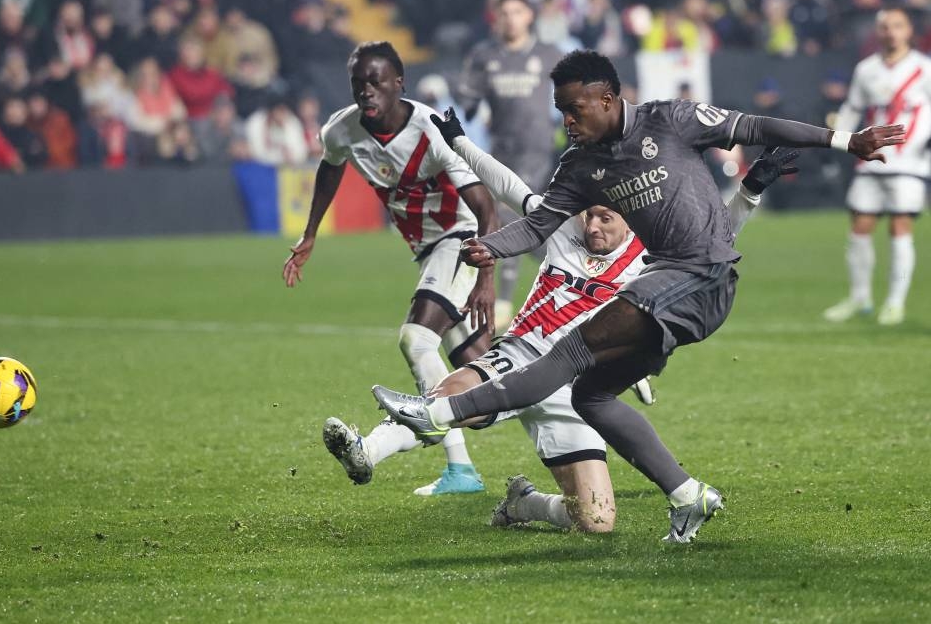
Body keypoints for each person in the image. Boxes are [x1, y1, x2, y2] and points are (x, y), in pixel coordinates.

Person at [374, 50, 903, 542]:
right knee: (590, 395)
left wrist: (845, 140)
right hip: (676, 285)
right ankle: (687, 494)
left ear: (607, 99)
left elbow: (754, 125)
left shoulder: (669, 120)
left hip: (702, 275)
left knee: (569, 353)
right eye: (560, 111)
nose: (567, 121)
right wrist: (490, 246)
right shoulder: (580, 167)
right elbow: (536, 225)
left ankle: (438, 415)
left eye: (574, 109)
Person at [325, 108, 795, 532]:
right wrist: (462, 144)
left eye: (604, 219)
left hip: (576, 385)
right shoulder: (563, 229)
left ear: (630, 215)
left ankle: (522, 505)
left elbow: (719, 234)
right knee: (459, 396)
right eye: (589, 215)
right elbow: (510, 188)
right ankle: (366, 450)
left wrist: (751, 189)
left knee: (595, 520)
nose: (592, 227)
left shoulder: (654, 253)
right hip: (522, 355)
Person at [284, 41, 498, 496]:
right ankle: (581, 366)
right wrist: (310, 233)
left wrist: (485, 277)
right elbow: (330, 168)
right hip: (428, 250)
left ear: (399, 83)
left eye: (376, 81)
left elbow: (486, 210)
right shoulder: (342, 130)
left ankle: (453, 467)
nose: (367, 91)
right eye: (358, 83)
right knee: (489, 382)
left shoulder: (432, 131)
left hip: (460, 240)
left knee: (416, 340)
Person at [456, 0, 563, 328]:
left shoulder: (549, 55)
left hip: (537, 150)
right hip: (500, 152)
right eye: (504, 13)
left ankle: (501, 303)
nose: (510, 18)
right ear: (496, 18)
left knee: (509, 217)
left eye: (517, 12)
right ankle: (568, 275)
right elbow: (468, 103)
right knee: (533, 237)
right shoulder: (484, 57)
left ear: (529, 16)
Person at [823, 6, 930, 326]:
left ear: (909, 30)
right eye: (884, 26)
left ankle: (895, 303)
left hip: (910, 162)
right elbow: (853, 107)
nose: (890, 32)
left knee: (900, 227)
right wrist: (838, 138)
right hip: (872, 160)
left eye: (897, 26)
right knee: (860, 227)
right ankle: (860, 298)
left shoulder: (924, 68)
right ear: (877, 31)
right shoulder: (866, 69)